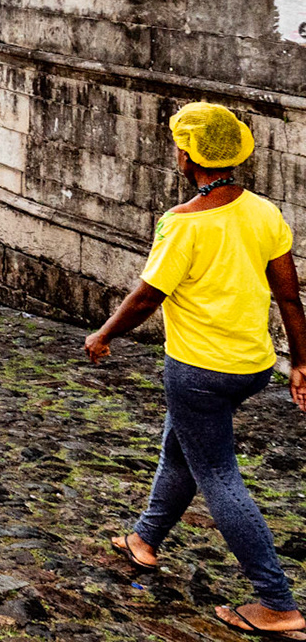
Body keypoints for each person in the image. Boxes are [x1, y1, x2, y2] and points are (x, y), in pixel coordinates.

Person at [85, 102, 306, 636]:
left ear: (187, 156)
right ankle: (144, 539)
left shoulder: (183, 222)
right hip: (252, 365)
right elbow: (289, 297)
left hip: (199, 370)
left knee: (219, 476)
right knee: (182, 447)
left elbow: (147, 297)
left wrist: (103, 334)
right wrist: (301, 361)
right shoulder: (264, 213)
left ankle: (276, 603)